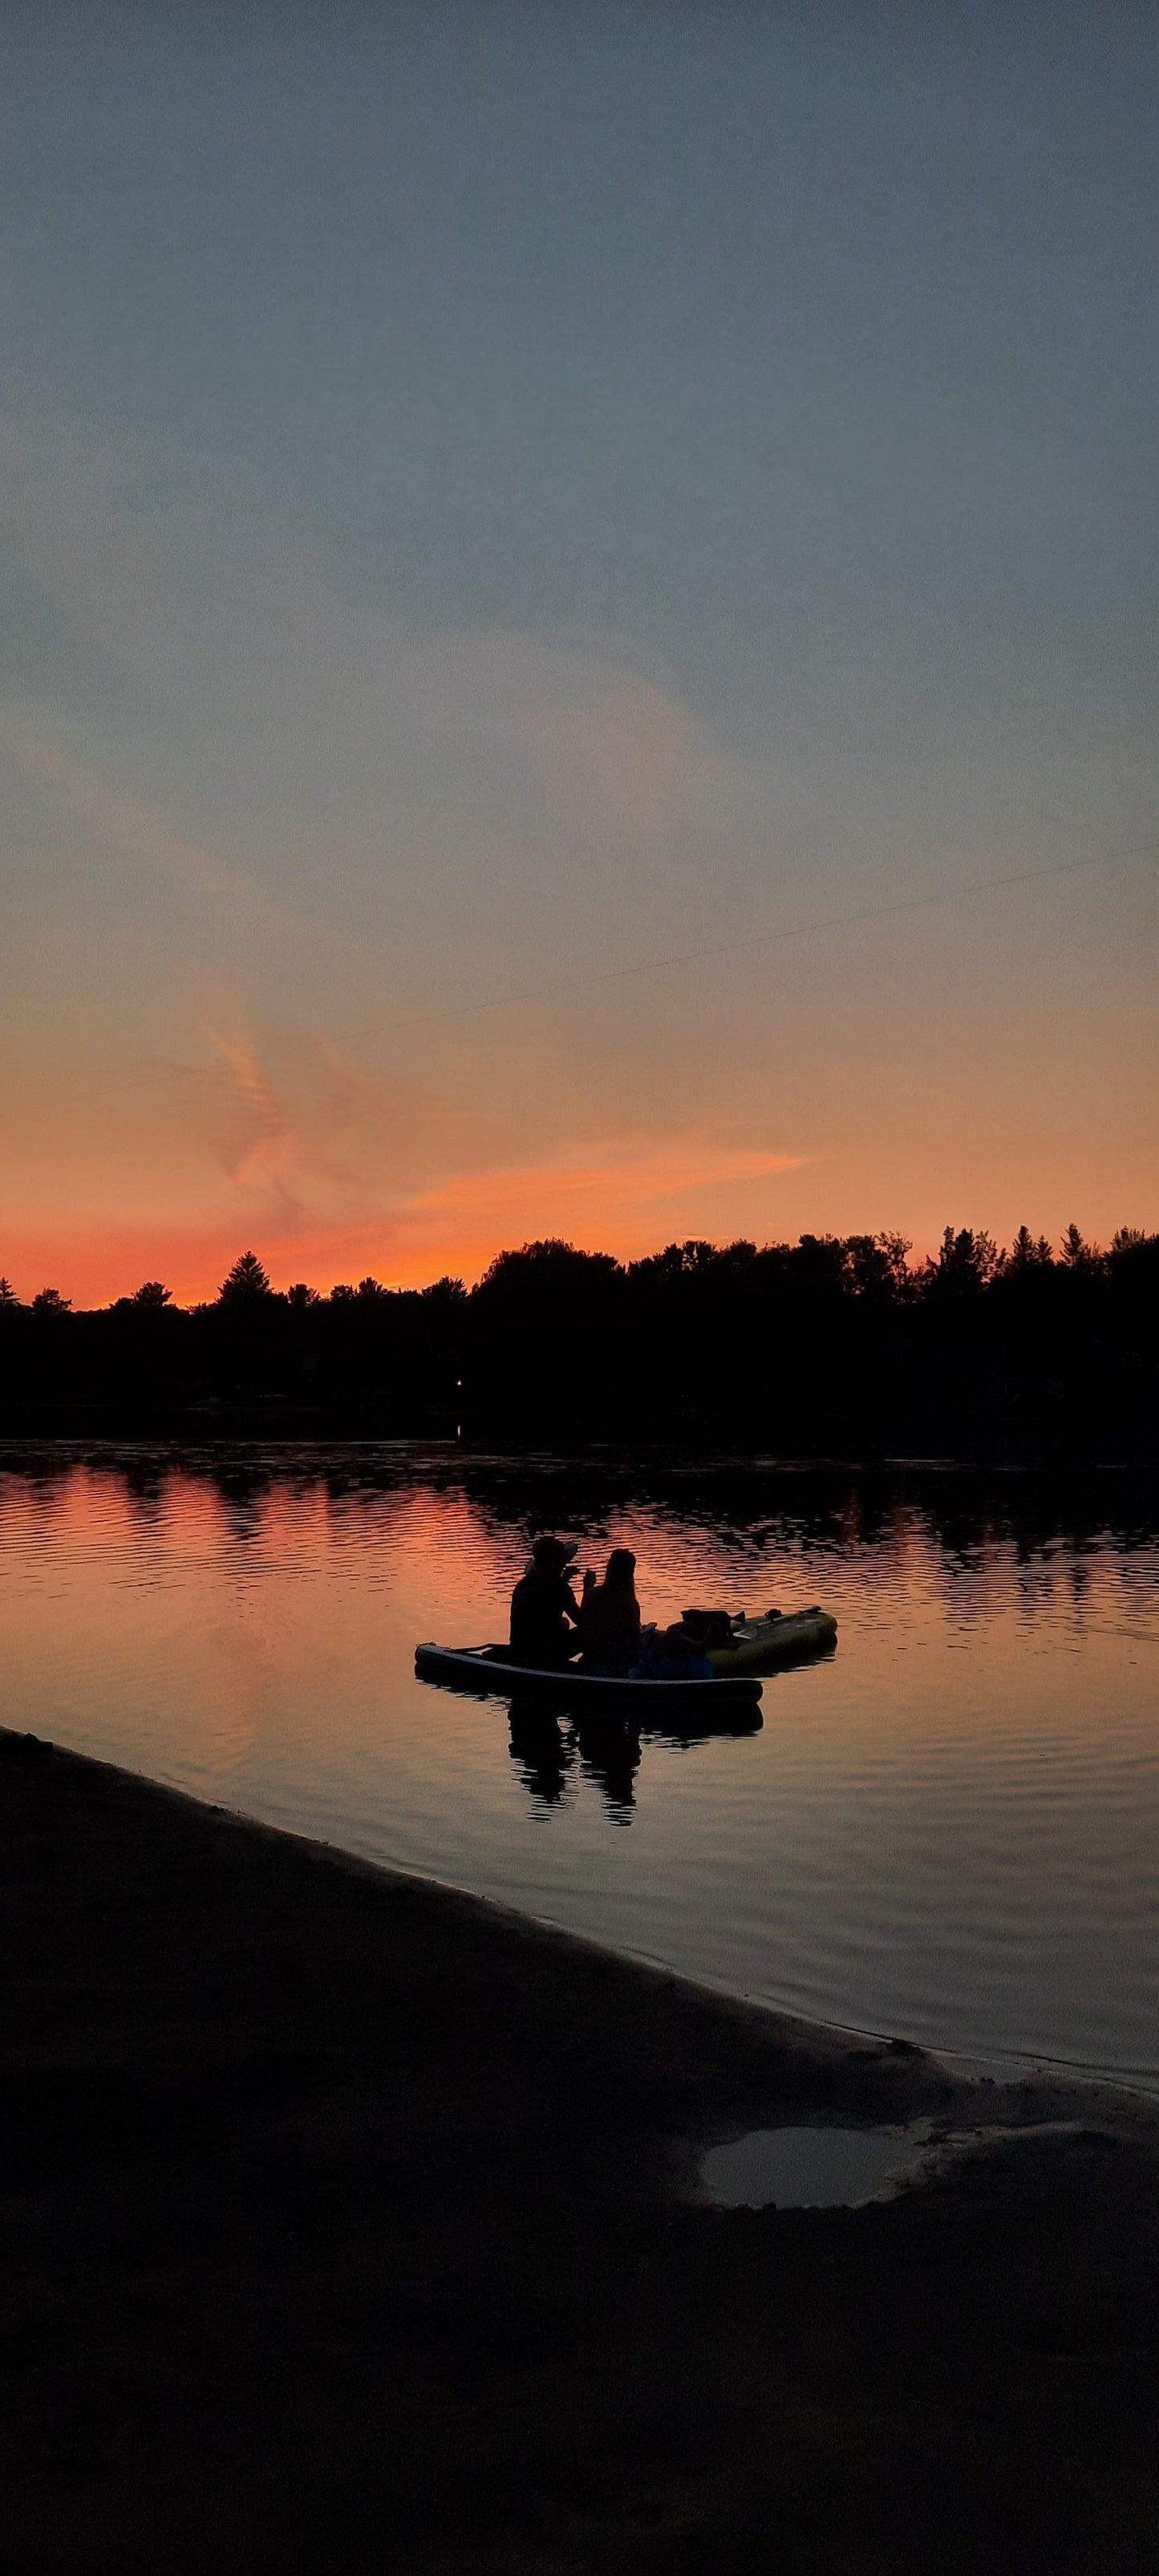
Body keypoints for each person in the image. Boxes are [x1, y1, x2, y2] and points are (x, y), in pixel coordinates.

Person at [509, 1535, 583, 1669]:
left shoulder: (523, 1585)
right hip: (547, 1653)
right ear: (556, 1562)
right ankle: (595, 1664)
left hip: (519, 1647)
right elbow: (582, 1621)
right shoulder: (559, 1588)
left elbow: (544, 1598)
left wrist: (564, 1579)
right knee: (588, 1630)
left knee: (563, 1622)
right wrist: (588, 1589)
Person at [577, 1547, 642, 1672]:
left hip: (590, 1662)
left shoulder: (591, 1594)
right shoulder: (630, 1603)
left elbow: (584, 1624)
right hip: (615, 1665)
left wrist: (586, 1589)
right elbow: (635, 1642)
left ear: (609, 1568)